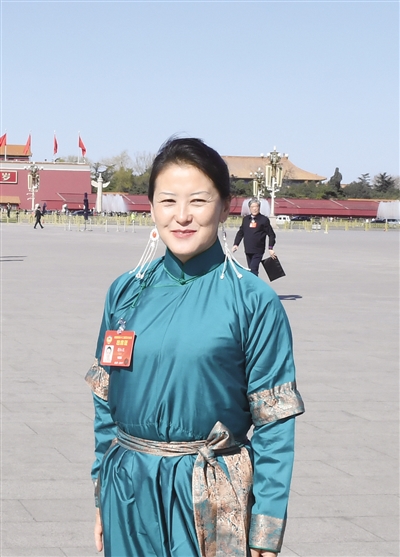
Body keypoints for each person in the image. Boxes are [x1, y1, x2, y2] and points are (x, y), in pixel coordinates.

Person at [85, 137, 304, 557]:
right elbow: (104, 402)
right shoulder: (125, 292)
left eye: (198, 201)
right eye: (168, 200)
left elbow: (275, 421)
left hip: (209, 492)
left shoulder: (253, 300)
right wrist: (101, 492)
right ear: (152, 207)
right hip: (127, 489)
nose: (182, 215)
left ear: (225, 208)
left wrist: (266, 525)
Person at [232, 199, 277, 276]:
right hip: (248, 249)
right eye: (252, 207)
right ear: (249, 208)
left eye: (256, 206)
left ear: (259, 207)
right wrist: (236, 244)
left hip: (258, 250)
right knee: (251, 270)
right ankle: (254, 282)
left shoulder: (264, 220)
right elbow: (241, 232)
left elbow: (271, 234)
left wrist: (270, 248)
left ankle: (253, 283)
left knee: (253, 269)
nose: (254, 208)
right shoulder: (246, 219)